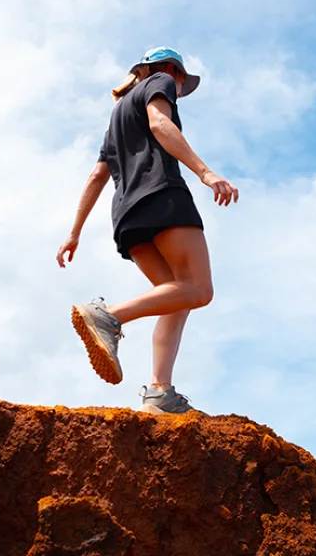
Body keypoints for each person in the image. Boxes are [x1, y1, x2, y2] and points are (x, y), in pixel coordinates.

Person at [56, 47, 238, 414]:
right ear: (172, 71)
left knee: (178, 297)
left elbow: (97, 176)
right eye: (183, 82)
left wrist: (74, 232)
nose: (180, 90)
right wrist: (206, 173)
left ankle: (159, 392)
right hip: (161, 197)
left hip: (127, 218)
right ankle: (108, 315)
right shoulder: (162, 80)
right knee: (199, 289)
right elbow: (160, 123)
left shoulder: (117, 115)